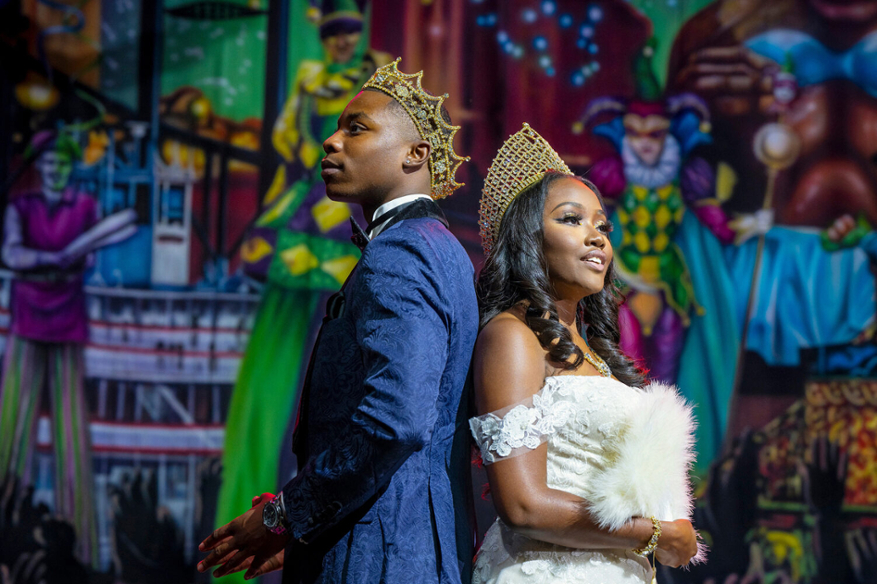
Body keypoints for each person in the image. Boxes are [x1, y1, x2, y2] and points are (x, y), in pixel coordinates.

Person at [198, 59, 478, 584]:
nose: (330, 141)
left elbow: (396, 422)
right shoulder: (440, 247)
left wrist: (283, 515)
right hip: (403, 546)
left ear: (415, 154)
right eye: (334, 128)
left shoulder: (401, 252)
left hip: (379, 558)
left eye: (356, 128)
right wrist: (312, 530)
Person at [469, 124, 701, 583]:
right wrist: (656, 535)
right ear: (529, 240)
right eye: (572, 220)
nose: (597, 237)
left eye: (602, 226)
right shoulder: (512, 335)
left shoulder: (594, 352)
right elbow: (524, 505)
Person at [0, 130, 100, 568]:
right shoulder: (20, 207)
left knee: (72, 439)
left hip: (67, 325)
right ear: (39, 167)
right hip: (26, 323)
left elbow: (91, 257)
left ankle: (79, 553)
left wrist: (63, 257)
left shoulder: (86, 207)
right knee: (7, 433)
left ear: (70, 167)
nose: (56, 170)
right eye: (49, 163)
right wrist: (52, 260)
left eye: (62, 163)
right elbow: (11, 254)